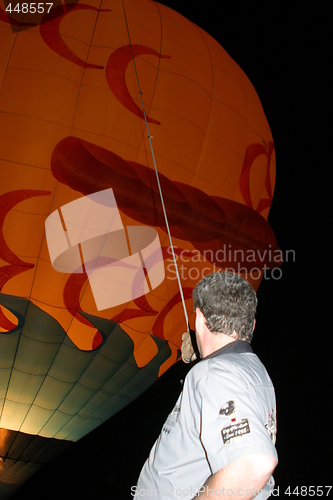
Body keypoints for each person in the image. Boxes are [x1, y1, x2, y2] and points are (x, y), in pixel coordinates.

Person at [132, 272, 277, 499]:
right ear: (252, 325)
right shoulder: (254, 370)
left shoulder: (213, 374)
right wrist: (200, 356)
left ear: (199, 320)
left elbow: (254, 463)